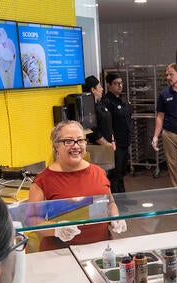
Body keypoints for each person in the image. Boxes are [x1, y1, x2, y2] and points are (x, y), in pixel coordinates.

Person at [28, 120, 126, 251]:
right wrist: (56, 230)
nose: (76, 146)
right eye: (68, 141)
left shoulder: (99, 172)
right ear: (56, 146)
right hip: (62, 254)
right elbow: (32, 219)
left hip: (102, 249)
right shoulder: (42, 180)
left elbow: (110, 203)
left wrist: (116, 217)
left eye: (80, 140)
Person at [104, 71, 133, 193]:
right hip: (116, 143)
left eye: (121, 83)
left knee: (122, 171)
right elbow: (107, 124)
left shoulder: (122, 99)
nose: (120, 86)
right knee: (115, 173)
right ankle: (116, 200)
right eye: (116, 84)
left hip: (125, 141)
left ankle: (123, 196)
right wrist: (112, 140)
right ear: (109, 85)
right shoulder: (107, 102)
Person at [83, 75, 115, 151]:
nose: (102, 89)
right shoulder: (88, 108)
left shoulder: (100, 104)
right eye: (100, 87)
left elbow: (109, 125)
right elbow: (92, 131)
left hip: (109, 145)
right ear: (93, 89)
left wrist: (112, 141)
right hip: (99, 148)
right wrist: (105, 144)